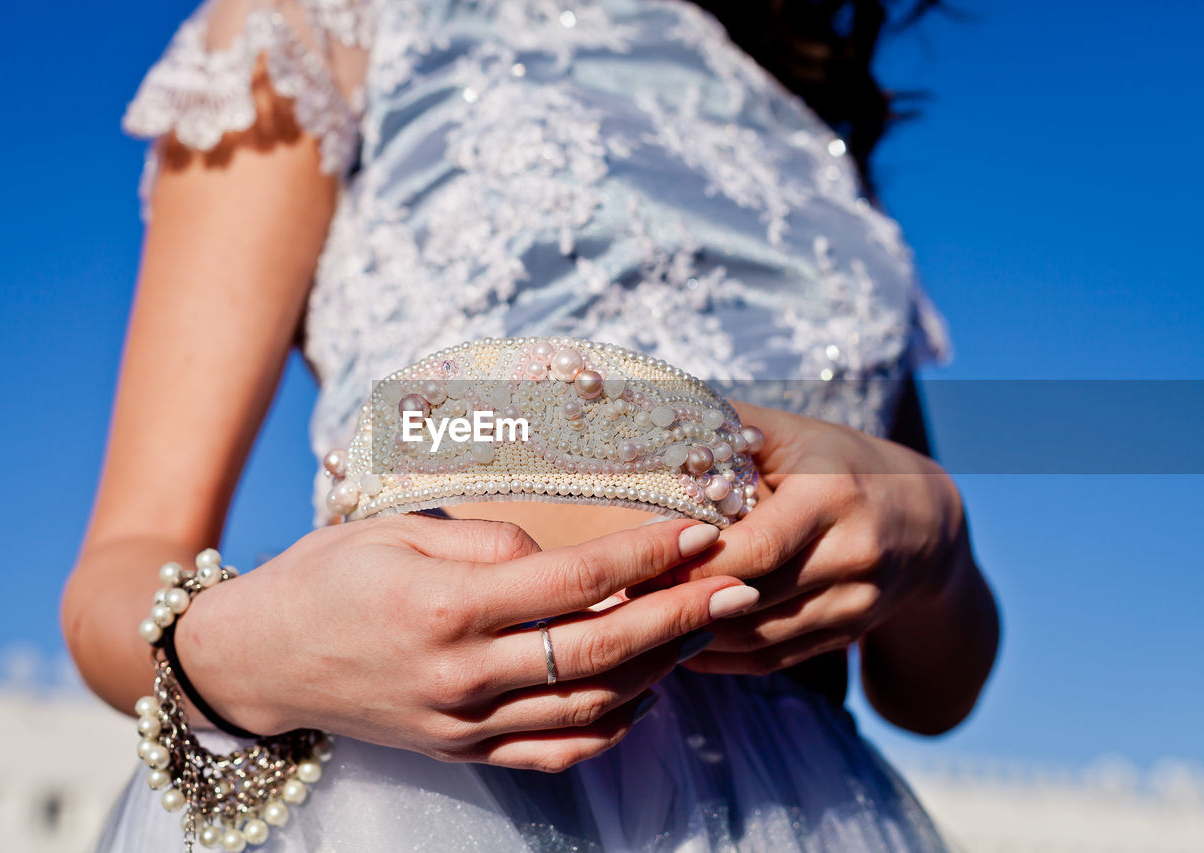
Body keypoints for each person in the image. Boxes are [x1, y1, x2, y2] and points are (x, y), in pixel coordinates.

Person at [62, 0, 1000, 849]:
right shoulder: (327, 22)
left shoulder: (813, 134)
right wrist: (248, 656)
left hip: (804, 810)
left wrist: (937, 533)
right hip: (427, 792)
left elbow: (930, 689)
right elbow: (126, 559)